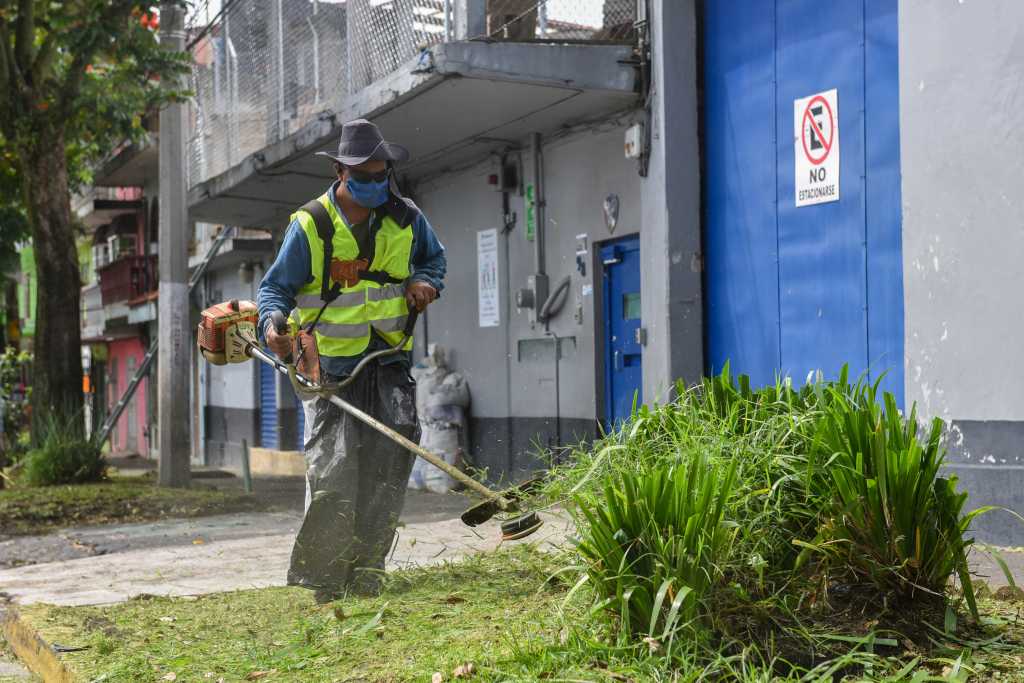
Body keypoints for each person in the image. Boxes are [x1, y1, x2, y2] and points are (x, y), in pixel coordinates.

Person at [257, 119, 446, 602]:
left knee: (390, 463)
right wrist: (273, 323)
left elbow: (433, 261)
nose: (375, 184)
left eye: (382, 175)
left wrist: (425, 282)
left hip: (388, 360)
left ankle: (367, 571)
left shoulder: (406, 218)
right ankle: (324, 581)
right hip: (330, 373)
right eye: (364, 175)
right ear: (341, 172)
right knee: (336, 474)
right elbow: (275, 289)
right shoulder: (311, 225)